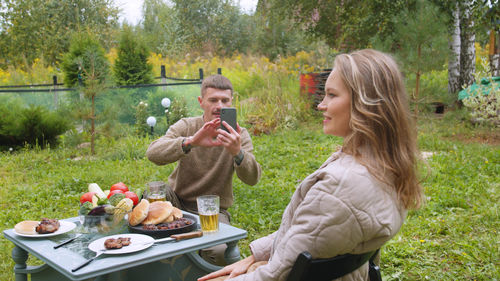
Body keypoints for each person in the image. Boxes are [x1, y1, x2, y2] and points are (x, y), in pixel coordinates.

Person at [198, 49, 423, 281]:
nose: (321, 105)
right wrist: (254, 255)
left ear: (365, 103)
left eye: (332, 95)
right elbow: (314, 230)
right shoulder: (384, 165)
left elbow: (276, 275)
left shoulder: (342, 186)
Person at [146, 74, 262, 265]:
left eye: (225, 100)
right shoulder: (187, 126)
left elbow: (252, 178)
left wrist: (237, 152)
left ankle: (196, 260)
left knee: (221, 253)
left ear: (232, 102)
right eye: (213, 100)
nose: (219, 106)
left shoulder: (238, 134)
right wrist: (191, 142)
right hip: (177, 201)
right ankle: (160, 262)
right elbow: (153, 153)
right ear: (201, 102)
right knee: (153, 193)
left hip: (214, 210)